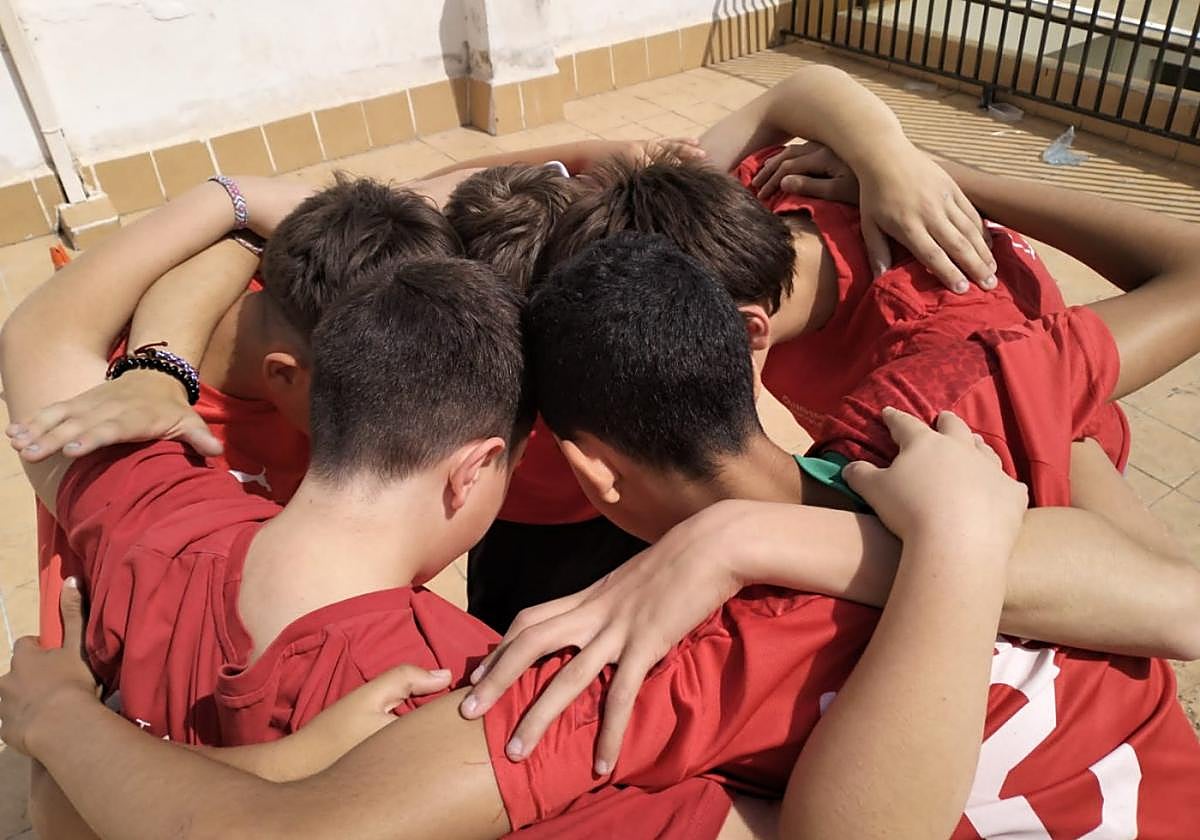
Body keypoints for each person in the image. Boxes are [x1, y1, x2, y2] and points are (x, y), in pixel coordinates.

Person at [3, 233, 1197, 840]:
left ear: (582, 473)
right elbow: (1175, 605)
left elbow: (40, 349)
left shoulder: (618, 670)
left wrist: (59, 736)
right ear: (748, 346)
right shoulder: (950, 436)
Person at [23, 174, 463, 648]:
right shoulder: (110, 420)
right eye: (379, 405)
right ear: (285, 374)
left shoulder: (317, 297)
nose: (394, 421)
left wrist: (240, 211)